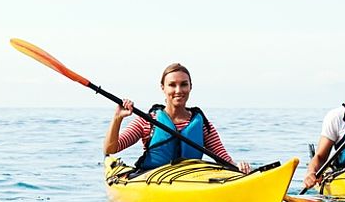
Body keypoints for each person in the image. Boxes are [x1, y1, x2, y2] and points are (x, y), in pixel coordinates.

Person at [105, 62, 251, 173]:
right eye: (172, 85)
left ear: (190, 87)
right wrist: (117, 118)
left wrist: (238, 167)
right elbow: (111, 148)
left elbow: (223, 158)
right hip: (153, 180)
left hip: (189, 180)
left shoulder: (202, 125)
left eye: (183, 85)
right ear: (163, 88)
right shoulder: (148, 121)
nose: (178, 90)